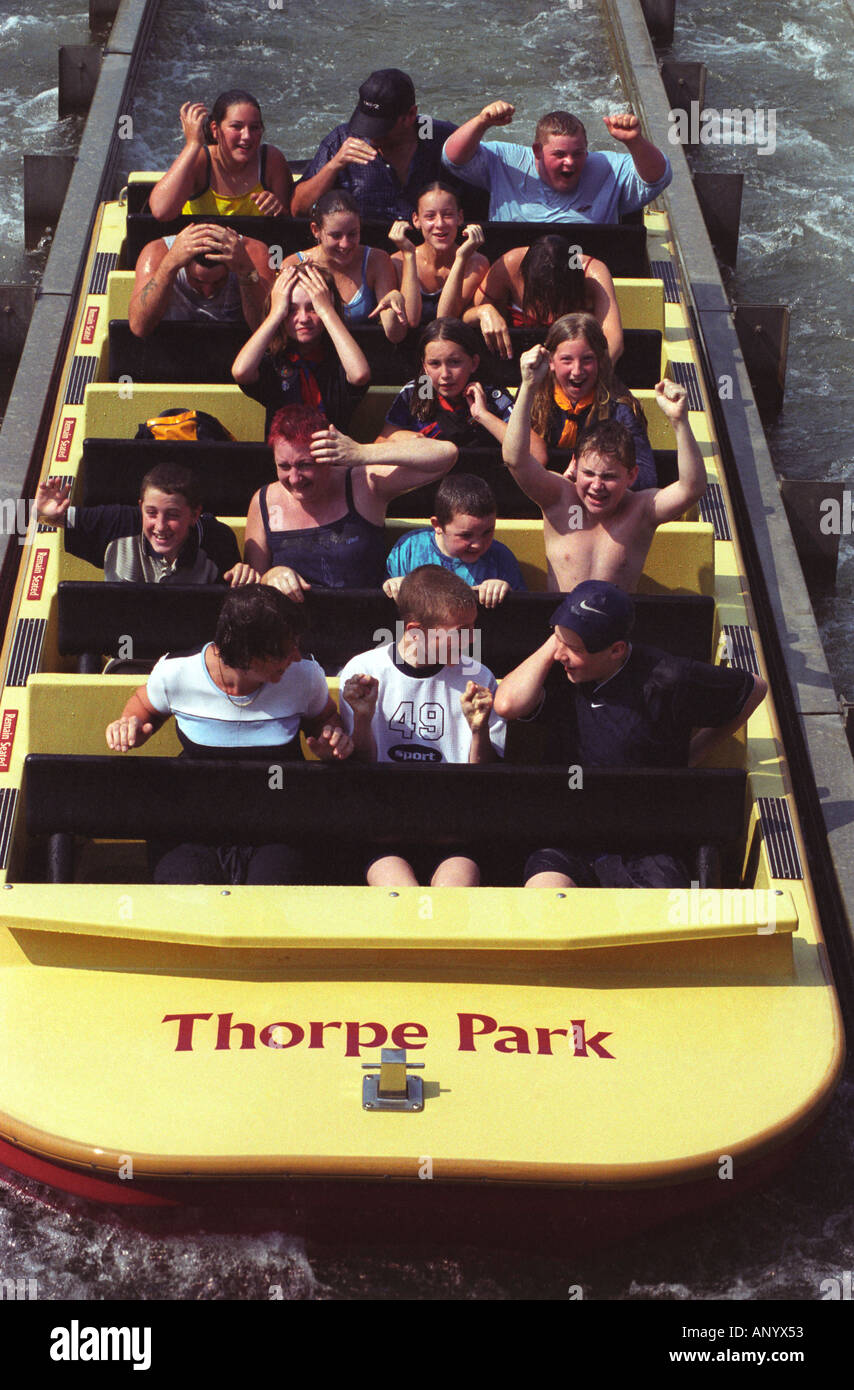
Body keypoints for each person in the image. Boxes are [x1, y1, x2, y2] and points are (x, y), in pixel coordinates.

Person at [492, 581, 767, 888]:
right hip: (566, 836)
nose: (561, 656)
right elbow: (506, 704)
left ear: (616, 650)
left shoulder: (668, 678)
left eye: (575, 649)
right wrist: (560, 639)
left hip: (647, 841)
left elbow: (755, 688)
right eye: (559, 641)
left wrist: (691, 754)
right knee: (544, 901)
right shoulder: (557, 670)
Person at [105, 586, 352, 884]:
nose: (296, 657)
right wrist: (130, 725)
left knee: (271, 904)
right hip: (193, 824)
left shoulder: (304, 675)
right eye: (284, 651)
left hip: (278, 825)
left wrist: (331, 738)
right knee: (188, 900)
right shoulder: (176, 672)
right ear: (247, 653)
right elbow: (144, 705)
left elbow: (325, 718)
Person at [339, 566, 505, 886]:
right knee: (400, 897)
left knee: (452, 899)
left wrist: (478, 730)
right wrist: (362, 717)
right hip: (383, 829)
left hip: (455, 832)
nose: (472, 638)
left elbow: (484, 778)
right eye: (461, 630)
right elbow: (360, 767)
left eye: (473, 627)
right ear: (415, 632)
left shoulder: (478, 676)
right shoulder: (365, 670)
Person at [503, 368, 705, 593]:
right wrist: (529, 386)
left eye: (609, 476)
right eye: (589, 474)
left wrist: (680, 422)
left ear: (632, 475)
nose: (597, 486)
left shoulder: (641, 510)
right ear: (575, 467)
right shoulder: (558, 498)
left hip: (615, 625)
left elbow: (691, 489)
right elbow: (515, 460)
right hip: (559, 624)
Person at [243, 404, 457, 597]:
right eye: (284, 466)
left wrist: (362, 452)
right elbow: (253, 588)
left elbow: (446, 455)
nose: (295, 478)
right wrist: (269, 577)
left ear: (328, 457)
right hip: (294, 631)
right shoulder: (264, 501)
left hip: (363, 626)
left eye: (305, 465)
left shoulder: (363, 484)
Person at [35, 462, 256, 586]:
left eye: (173, 515)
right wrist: (40, 513)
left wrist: (245, 578)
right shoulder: (117, 524)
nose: (160, 526)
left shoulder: (218, 542)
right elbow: (12, 517)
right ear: (140, 507)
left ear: (195, 514)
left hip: (193, 658)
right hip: (127, 653)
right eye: (151, 513)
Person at [442, 104, 672, 223]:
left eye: (578, 153)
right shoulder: (506, 161)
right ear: (537, 151)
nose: (570, 162)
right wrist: (482, 122)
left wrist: (635, 142)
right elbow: (453, 158)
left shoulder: (607, 168)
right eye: (560, 154)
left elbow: (658, 178)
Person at [503, 313, 655, 487]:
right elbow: (514, 459)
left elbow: (646, 478)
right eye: (566, 360)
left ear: (600, 361)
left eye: (587, 359)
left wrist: (588, 481)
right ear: (550, 361)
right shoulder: (532, 396)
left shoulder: (621, 409)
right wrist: (528, 385)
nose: (577, 371)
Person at [291, 69, 459, 222]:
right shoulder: (341, 140)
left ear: (410, 115)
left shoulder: (445, 139)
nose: (370, 135)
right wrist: (334, 166)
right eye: (364, 124)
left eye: (381, 127)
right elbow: (299, 210)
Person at [379, 318, 548, 460]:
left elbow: (537, 455)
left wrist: (483, 415)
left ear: (473, 363)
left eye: (455, 362)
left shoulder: (492, 395)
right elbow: (379, 445)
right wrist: (398, 438)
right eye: (434, 364)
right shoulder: (415, 392)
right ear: (424, 366)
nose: (445, 374)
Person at [231, 261, 370, 434]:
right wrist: (276, 313)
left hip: (332, 454)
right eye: (291, 310)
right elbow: (241, 372)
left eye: (313, 308)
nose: (303, 318)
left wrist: (326, 310)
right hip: (285, 457)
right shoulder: (275, 361)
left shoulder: (341, 359)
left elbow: (359, 375)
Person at [464, 233, 623, 364]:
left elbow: (613, 340)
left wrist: (584, 378)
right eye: (541, 293)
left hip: (575, 370)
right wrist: (484, 311)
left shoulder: (593, 273)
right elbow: (464, 317)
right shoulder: (509, 266)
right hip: (515, 364)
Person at [384, 473, 526, 607]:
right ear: (438, 525)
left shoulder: (500, 557)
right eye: (466, 535)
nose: (478, 544)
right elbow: (382, 604)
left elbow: (522, 614)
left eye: (487, 532)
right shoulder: (410, 549)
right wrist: (393, 586)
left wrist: (505, 592)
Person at [283, 190, 407, 340]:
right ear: (316, 230)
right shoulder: (293, 264)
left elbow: (395, 336)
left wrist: (395, 305)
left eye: (352, 234)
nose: (345, 244)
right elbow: (281, 329)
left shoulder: (377, 260)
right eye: (336, 235)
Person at [149, 91, 293, 219]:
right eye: (236, 126)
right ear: (215, 130)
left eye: (254, 128)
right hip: (202, 246)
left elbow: (291, 222)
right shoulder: (201, 161)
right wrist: (192, 144)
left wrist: (278, 210)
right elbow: (161, 211)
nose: (247, 136)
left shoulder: (271, 161)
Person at [128, 223, 273, 337]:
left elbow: (268, 331)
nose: (208, 291)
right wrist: (167, 268)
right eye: (197, 281)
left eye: (218, 282)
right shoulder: (157, 254)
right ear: (184, 266)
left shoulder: (253, 255)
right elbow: (139, 327)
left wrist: (246, 272)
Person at [388, 182, 489, 326]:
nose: (440, 224)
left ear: (460, 217)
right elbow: (410, 319)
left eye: (448, 215)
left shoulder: (476, 263)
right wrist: (409, 255)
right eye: (430, 217)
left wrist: (461, 258)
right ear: (416, 220)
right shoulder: (397, 261)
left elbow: (446, 318)